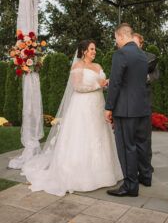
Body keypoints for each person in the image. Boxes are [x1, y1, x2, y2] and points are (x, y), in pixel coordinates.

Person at [21, 39, 123, 196]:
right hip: (82, 107)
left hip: (98, 105)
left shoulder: (98, 66)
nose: (94, 52)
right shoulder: (77, 66)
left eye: (94, 49)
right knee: (82, 137)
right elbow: (78, 87)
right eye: (91, 49)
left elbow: (102, 83)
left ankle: (103, 174)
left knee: (100, 137)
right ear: (83, 51)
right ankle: (80, 176)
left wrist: (107, 83)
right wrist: (99, 85)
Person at [105, 23, 152, 197]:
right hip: (142, 108)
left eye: (116, 38)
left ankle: (130, 186)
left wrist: (108, 107)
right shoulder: (142, 55)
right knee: (139, 144)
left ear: (122, 36)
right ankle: (142, 178)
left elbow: (115, 82)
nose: (116, 42)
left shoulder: (121, 53)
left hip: (125, 110)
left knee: (126, 147)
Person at [132, 33, 159, 172]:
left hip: (145, 101)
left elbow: (155, 75)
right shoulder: (126, 56)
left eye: (136, 44)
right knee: (132, 136)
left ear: (141, 44)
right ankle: (133, 165)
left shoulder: (150, 57)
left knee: (145, 137)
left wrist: (143, 77)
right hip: (129, 103)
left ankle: (146, 165)